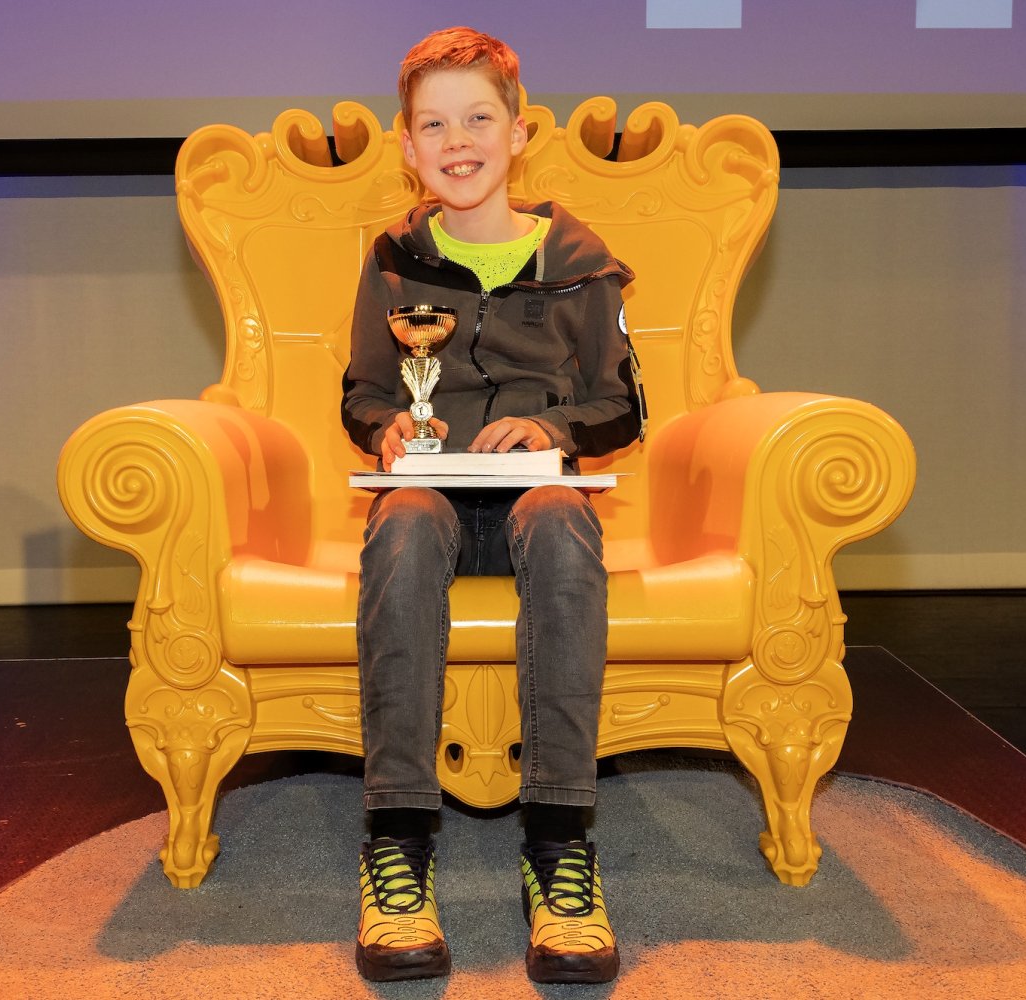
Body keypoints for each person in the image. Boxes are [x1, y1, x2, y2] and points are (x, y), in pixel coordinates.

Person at [339, 26, 644, 984]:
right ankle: (397, 844)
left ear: (519, 133)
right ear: (407, 145)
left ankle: (559, 845)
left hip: (534, 504)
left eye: (478, 118)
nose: (457, 140)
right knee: (401, 522)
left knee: (557, 519)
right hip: (431, 499)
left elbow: (622, 406)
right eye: (434, 124)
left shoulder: (582, 260)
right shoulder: (392, 259)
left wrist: (550, 425)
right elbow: (362, 392)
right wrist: (388, 429)